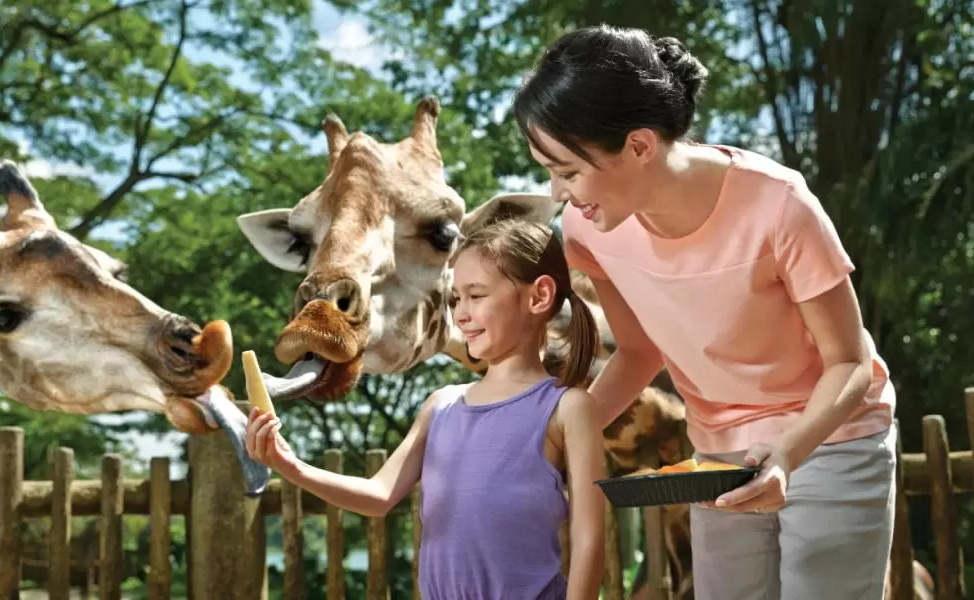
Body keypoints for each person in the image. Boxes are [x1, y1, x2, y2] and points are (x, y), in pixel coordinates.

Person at [512, 25, 897, 600]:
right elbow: (641, 353)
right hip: (716, 450)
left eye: (568, 170)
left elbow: (849, 361)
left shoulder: (780, 205)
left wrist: (788, 453)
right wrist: (551, 437)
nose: (558, 191)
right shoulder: (588, 231)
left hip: (832, 436)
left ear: (639, 146)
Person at [245, 219, 608, 599]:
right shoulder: (442, 405)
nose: (461, 314)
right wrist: (291, 466)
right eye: (455, 299)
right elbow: (379, 494)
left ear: (538, 296)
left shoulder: (568, 408)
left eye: (477, 295)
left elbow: (589, 539)